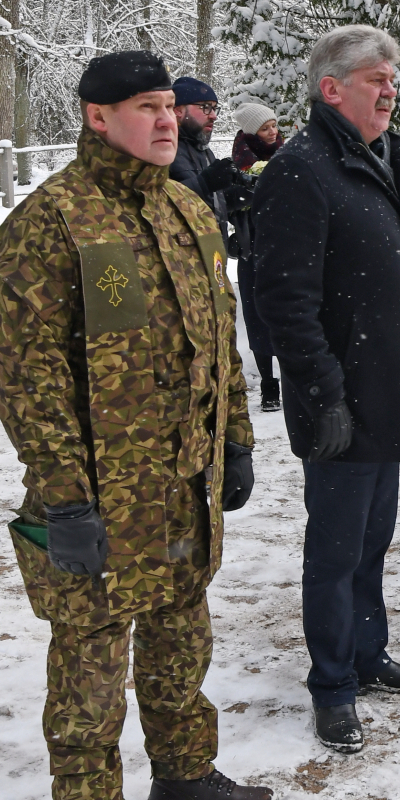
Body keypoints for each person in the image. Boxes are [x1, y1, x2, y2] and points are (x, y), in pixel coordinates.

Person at [0, 50, 270, 800]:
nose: (164, 119)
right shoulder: (50, 222)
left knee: (182, 643)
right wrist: (67, 499)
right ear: (97, 117)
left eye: (166, 105)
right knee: (90, 677)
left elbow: (222, 338)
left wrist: (236, 438)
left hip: (185, 483)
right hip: (98, 499)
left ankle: (185, 776)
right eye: (146, 107)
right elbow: (28, 378)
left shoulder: (186, 210)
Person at [253, 25, 400, 753]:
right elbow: (285, 300)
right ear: (331, 89)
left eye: (392, 76)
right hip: (343, 400)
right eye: (374, 78)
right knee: (334, 552)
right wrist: (323, 393)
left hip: (388, 388)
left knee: (372, 540)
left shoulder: (380, 158)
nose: (390, 87)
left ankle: (368, 655)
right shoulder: (302, 169)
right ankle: (332, 684)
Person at [229, 102, 285, 411]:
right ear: (251, 131)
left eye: (274, 125)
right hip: (253, 248)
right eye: (265, 128)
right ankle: (268, 384)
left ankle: (293, 377)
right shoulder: (238, 162)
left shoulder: (288, 154)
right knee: (257, 315)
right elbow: (231, 202)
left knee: (291, 312)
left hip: (288, 247)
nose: (273, 131)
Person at [169, 76, 243, 252]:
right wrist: (205, 183)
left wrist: (246, 193)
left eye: (215, 108)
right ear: (178, 110)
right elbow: (159, 204)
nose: (214, 116)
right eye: (205, 107)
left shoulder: (204, 151)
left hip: (211, 256)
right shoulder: (163, 149)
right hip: (179, 259)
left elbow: (212, 204)